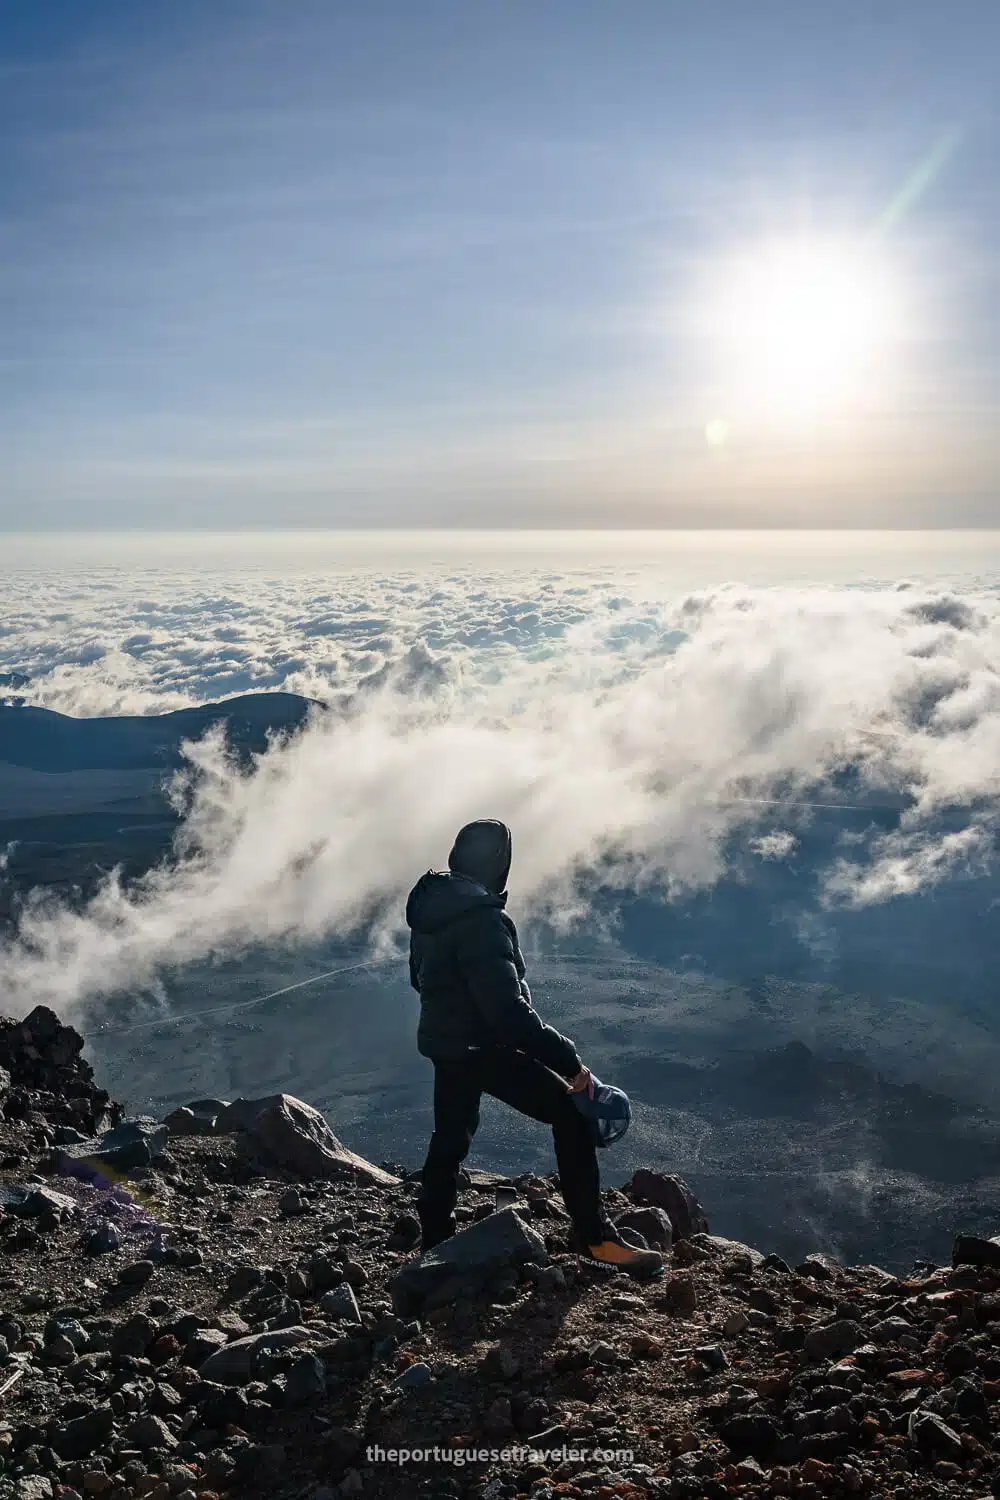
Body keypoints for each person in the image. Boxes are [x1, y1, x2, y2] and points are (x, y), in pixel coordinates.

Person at [405, 818, 663, 1277]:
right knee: (571, 1114)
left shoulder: (432, 909)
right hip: (482, 1046)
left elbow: (419, 979)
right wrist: (568, 1061)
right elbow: (507, 1013)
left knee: (450, 1138)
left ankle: (434, 1243)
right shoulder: (481, 921)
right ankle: (595, 1239)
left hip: (446, 1044)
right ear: (499, 865)